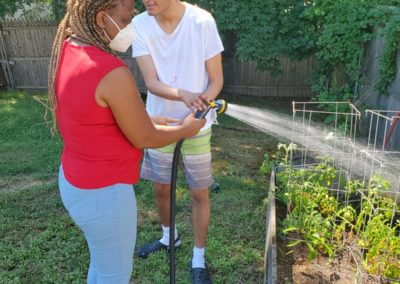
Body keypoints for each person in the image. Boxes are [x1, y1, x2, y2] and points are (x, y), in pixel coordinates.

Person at [47, 0, 205, 283]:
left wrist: (148, 120)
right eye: (127, 17)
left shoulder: (68, 49)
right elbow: (144, 137)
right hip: (103, 195)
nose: (132, 24)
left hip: (74, 182)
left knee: (102, 266)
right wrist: (185, 130)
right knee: (115, 275)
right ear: (100, 18)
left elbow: (97, 115)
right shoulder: (110, 71)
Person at [132, 0, 224, 283]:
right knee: (162, 189)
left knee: (199, 192)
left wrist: (199, 110)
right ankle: (169, 237)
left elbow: (216, 80)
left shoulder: (202, 22)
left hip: (197, 124)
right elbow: (151, 82)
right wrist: (183, 94)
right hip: (158, 122)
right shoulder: (140, 24)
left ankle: (198, 257)